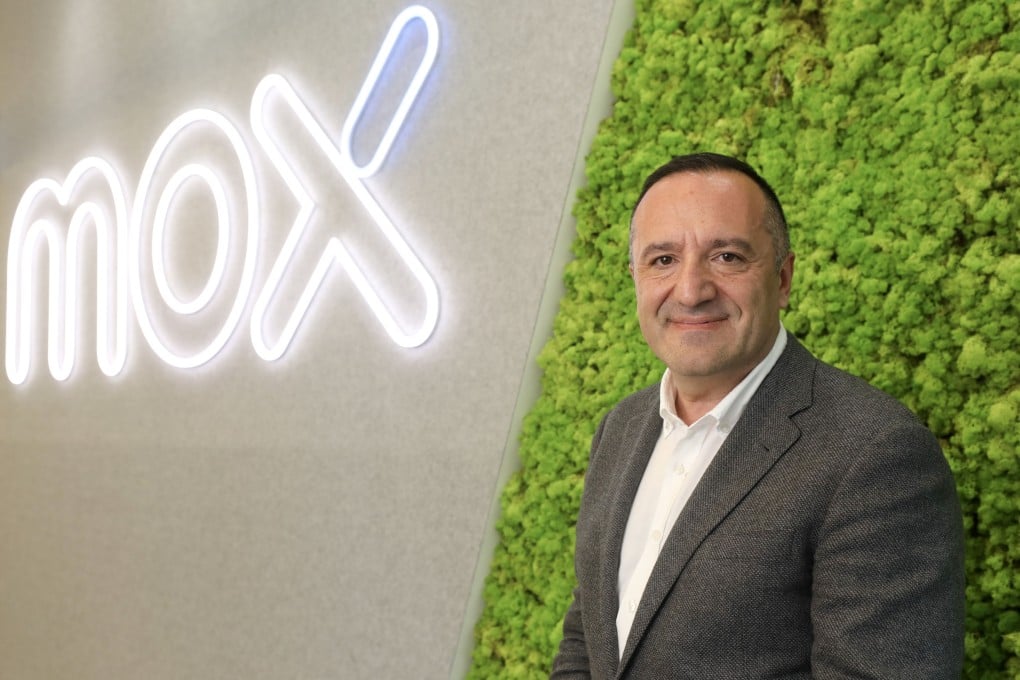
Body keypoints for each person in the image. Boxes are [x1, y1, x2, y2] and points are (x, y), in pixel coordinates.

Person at [550, 152, 965, 678]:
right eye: (662, 260)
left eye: (726, 256)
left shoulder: (875, 454)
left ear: (783, 278)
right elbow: (587, 635)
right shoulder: (621, 428)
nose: (691, 290)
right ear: (635, 278)